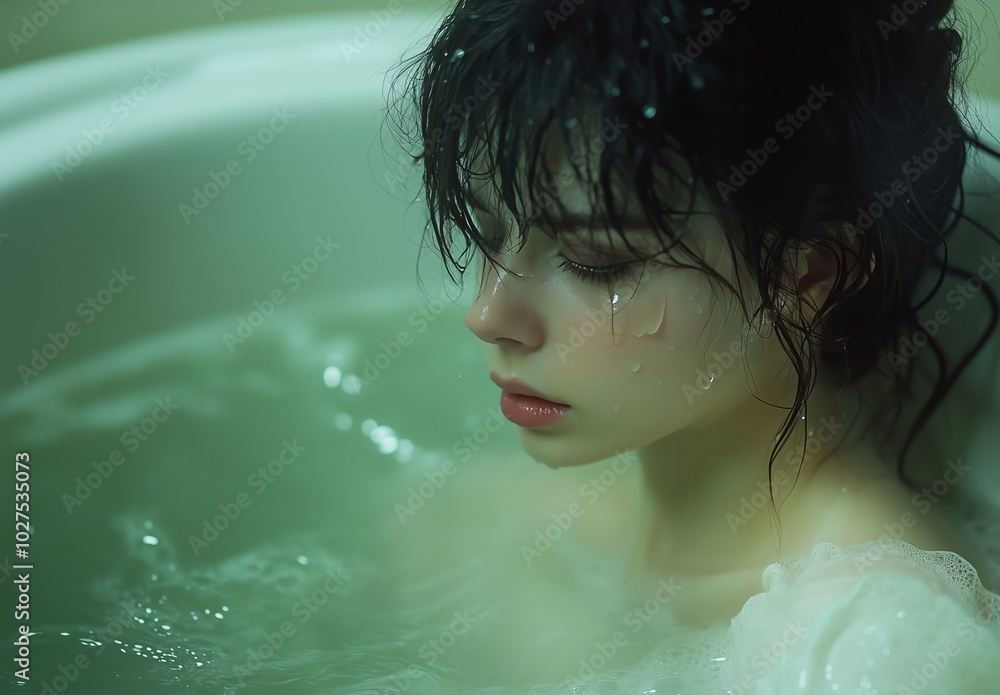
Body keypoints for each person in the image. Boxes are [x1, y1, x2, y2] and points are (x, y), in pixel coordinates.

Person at [389, 0, 1000, 690]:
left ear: (806, 275)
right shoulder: (479, 519)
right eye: (488, 232)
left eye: (596, 262)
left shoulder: (864, 646)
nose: (487, 311)